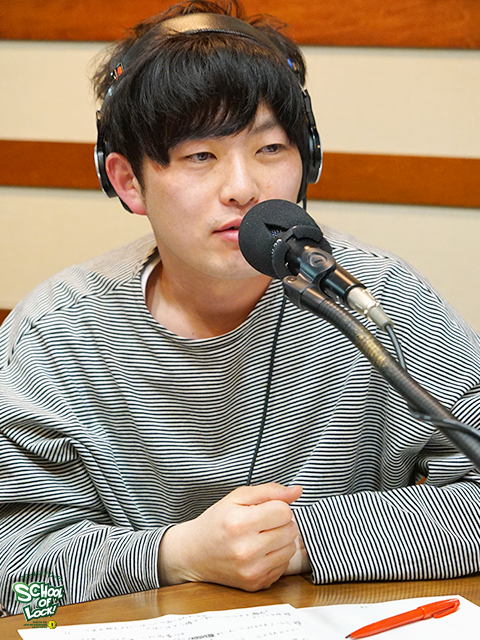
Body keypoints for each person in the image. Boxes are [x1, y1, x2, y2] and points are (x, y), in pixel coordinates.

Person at [1, 0, 480, 617]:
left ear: (309, 159)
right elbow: (15, 584)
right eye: (200, 155)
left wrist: (302, 539)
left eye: (270, 148)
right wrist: (174, 555)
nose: (243, 188)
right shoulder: (54, 334)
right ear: (127, 181)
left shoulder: (375, 296)